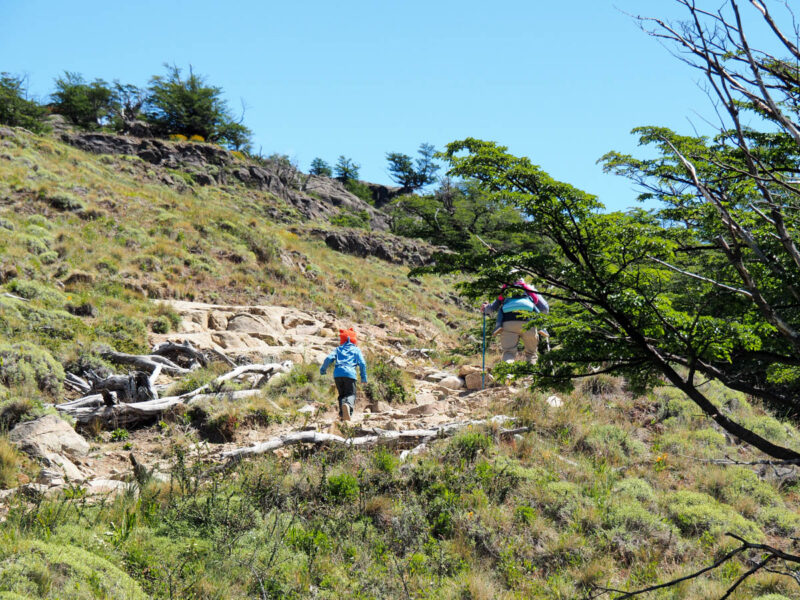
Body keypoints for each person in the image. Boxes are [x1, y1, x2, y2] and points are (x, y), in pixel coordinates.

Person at [482, 276, 548, 364]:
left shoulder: (505, 290)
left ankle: (508, 376)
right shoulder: (529, 289)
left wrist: (485, 308)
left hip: (508, 322)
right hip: (529, 321)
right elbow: (544, 308)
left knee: (509, 352)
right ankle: (530, 377)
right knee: (531, 354)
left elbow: (492, 308)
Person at [320, 327, 368, 421]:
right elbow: (362, 363)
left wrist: (323, 370)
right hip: (350, 374)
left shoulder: (338, 349)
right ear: (354, 339)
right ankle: (348, 409)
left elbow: (328, 358)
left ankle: (342, 415)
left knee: (341, 395)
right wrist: (363, 377)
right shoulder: (356, 350)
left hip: (337, 374)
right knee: (351, 394)